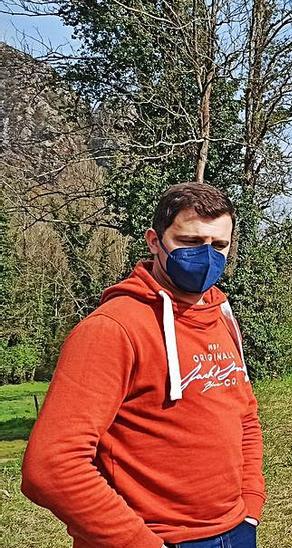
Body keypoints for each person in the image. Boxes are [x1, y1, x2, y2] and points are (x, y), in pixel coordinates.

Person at [22, 183, 264, 548]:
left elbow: (243, 415)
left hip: (235, 531)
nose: (206, 256)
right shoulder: (112, 328)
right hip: (155, 538)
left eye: (219, 246)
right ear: (155, 241)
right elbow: (52, 466)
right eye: (190, 241)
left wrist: (249, 504)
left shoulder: (221, 316)